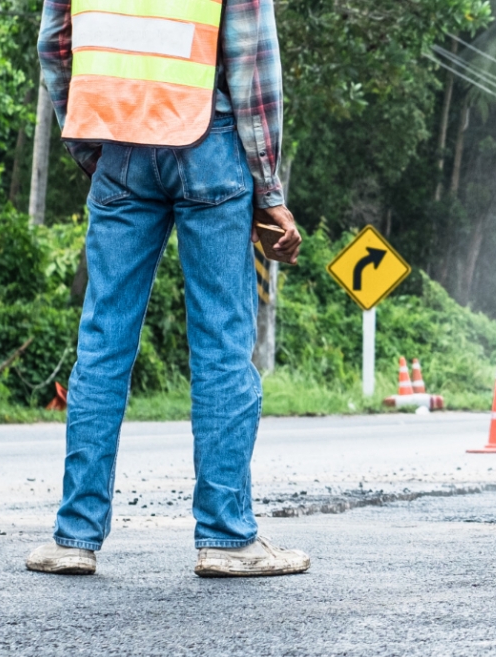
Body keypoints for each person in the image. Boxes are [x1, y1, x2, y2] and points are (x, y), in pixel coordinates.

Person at [25, 0, 310, 578]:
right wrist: (270, 190)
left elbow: (55, 48)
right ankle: (227, 538)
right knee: (223, 343)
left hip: (119, 142)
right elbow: (253, 69)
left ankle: (74, 537)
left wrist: (90, 144)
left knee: (103, 342)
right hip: (210, 139)